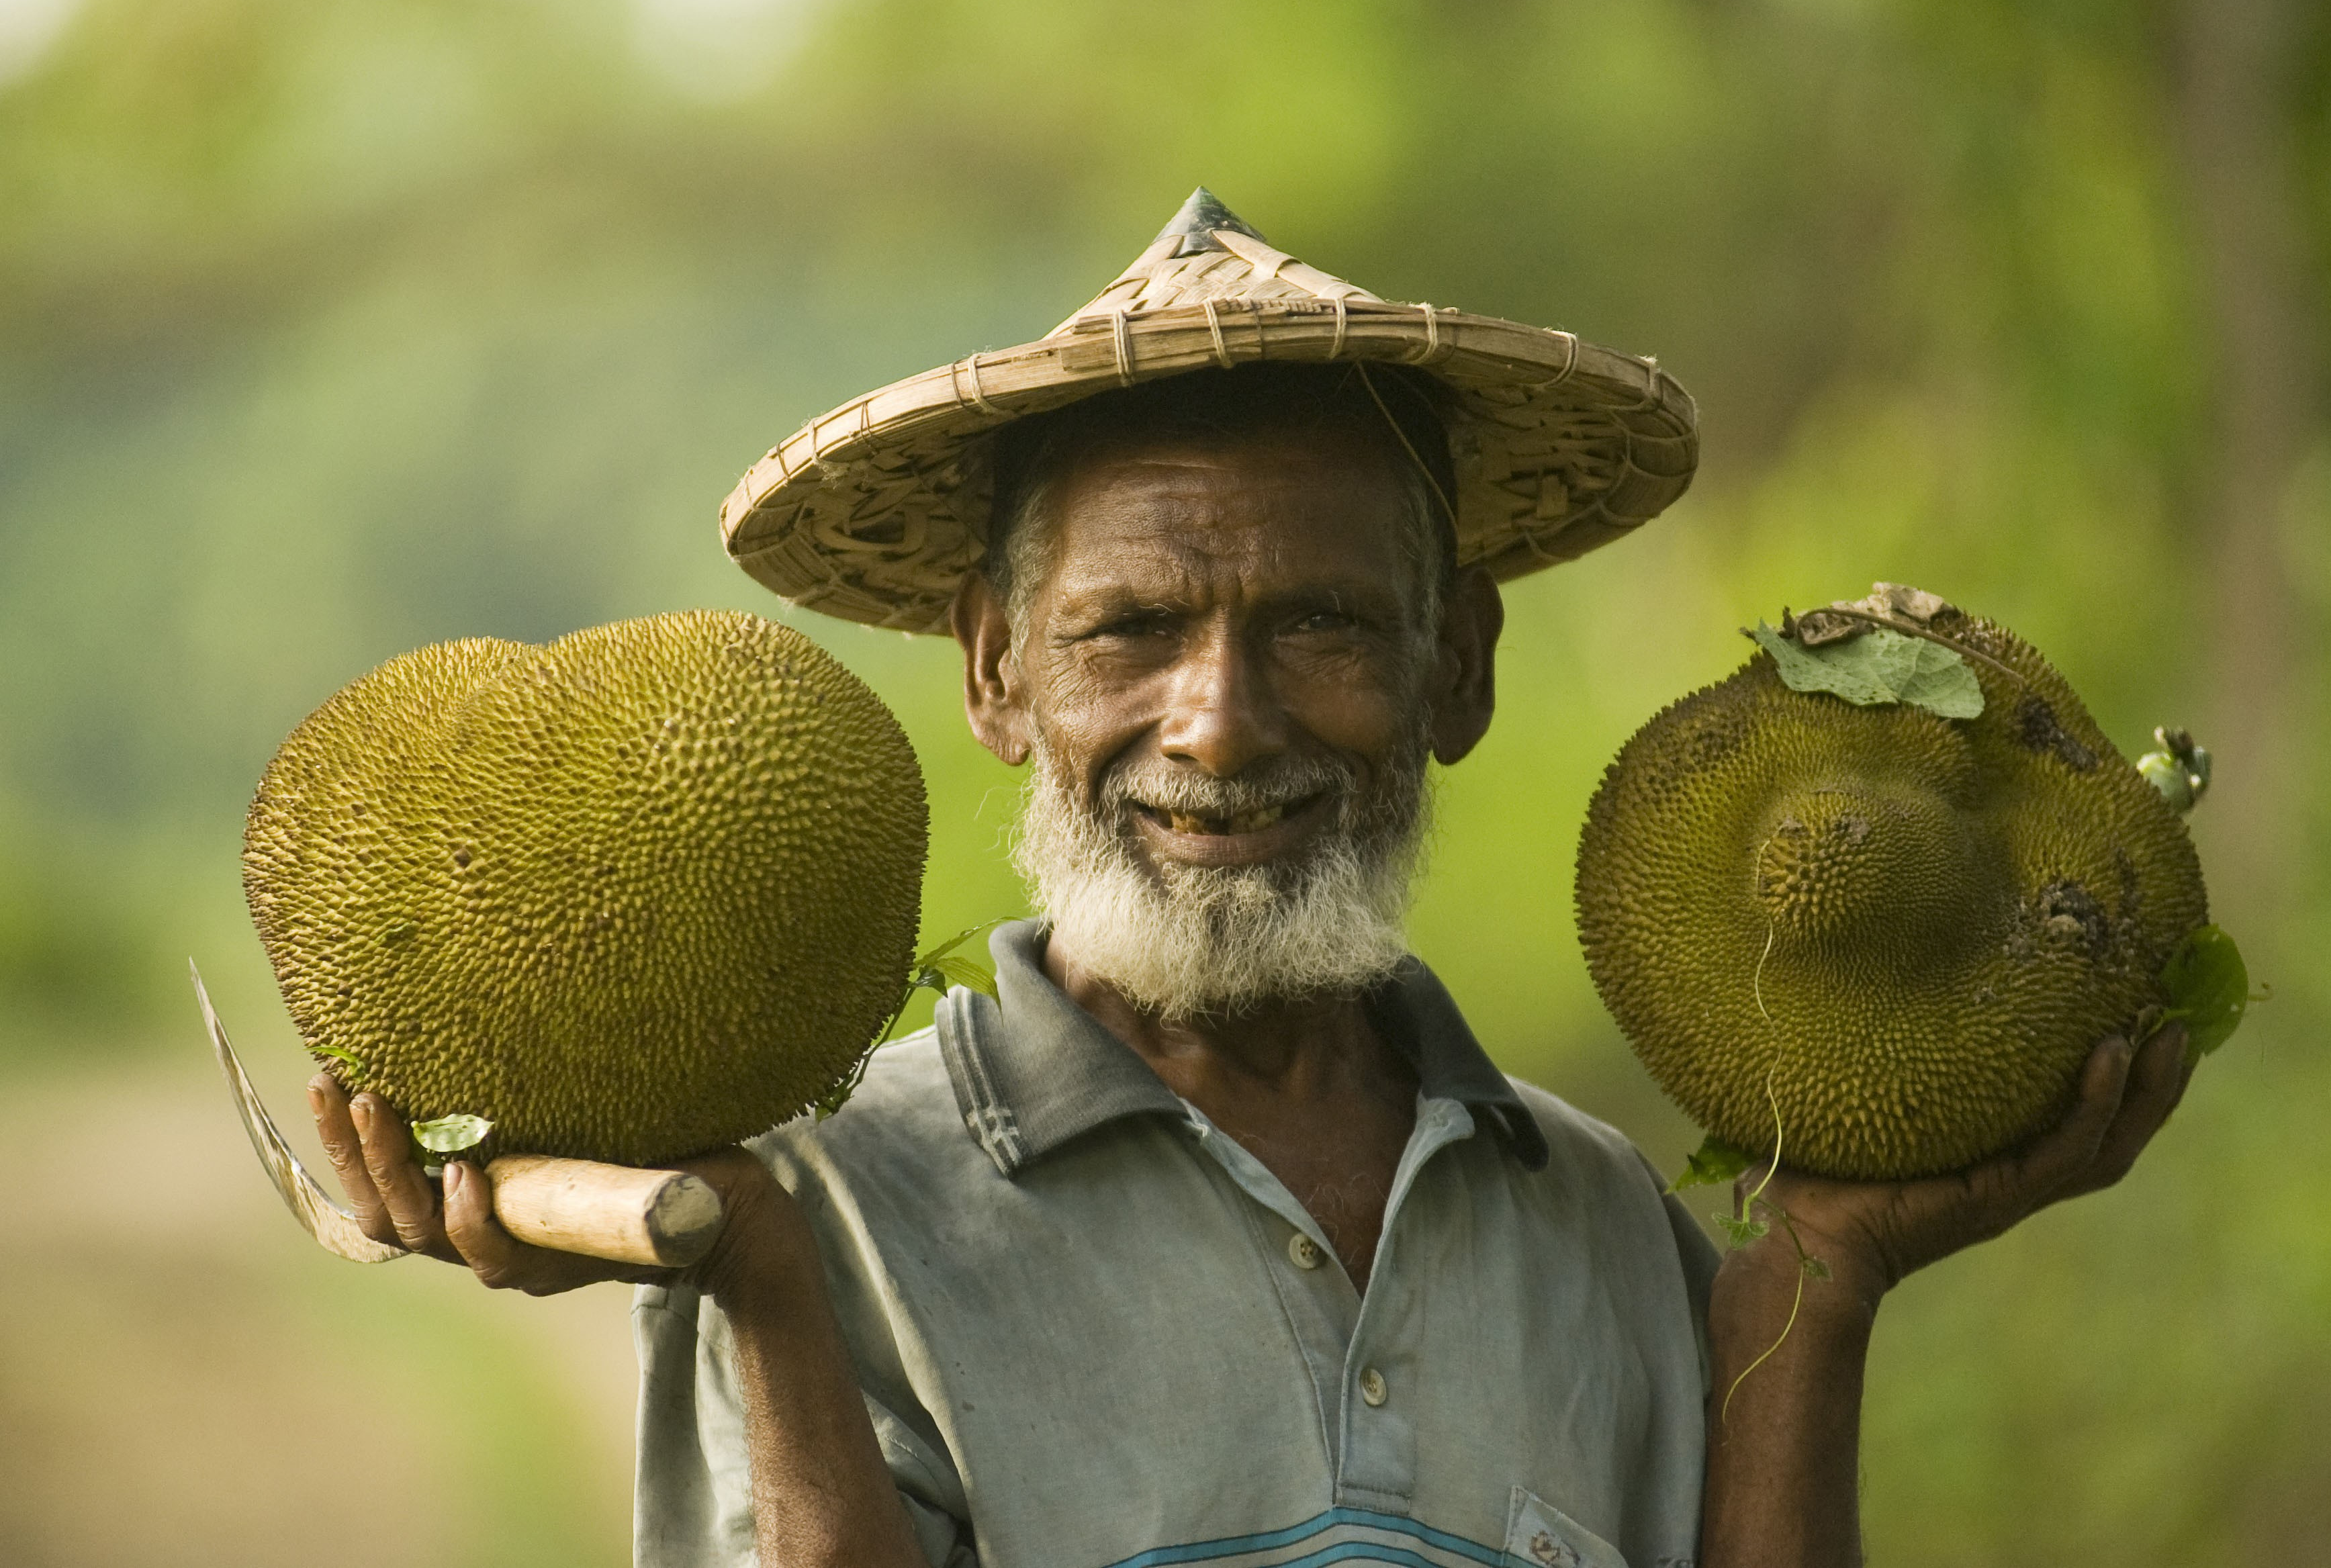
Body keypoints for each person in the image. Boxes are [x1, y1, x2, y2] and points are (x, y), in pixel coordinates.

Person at [311, 191, 2191, 1568]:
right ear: (996, 673)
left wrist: (1822, 1280)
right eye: (1129, 632)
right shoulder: (821, 1220)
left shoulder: (1608, 1228)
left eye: (1325, 625)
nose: (1219, 724)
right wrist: (772, 1293)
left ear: (1458, 669)